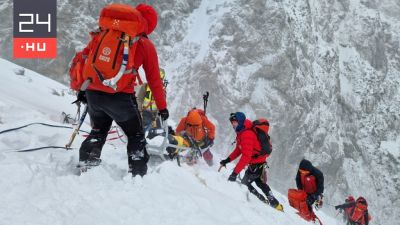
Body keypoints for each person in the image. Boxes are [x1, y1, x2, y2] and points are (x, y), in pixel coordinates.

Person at [73, 3, 168, 177]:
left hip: (93, 92)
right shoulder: (144, 44)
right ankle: (138, 175)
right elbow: (154, 80)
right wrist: (162, 107)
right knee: (135, 134)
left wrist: (82, 88)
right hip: (119, 96)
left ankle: (86, 162)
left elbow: (85, 59)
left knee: (99, 129)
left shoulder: (104, 33)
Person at [220, 112, 283, 211]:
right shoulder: (242, 131)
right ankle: (275, 204)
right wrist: (227, 160)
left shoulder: (246, 134)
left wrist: (234, 173)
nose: (233, 125)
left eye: (235, 123)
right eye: (232, 123)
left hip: (256, 164)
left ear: (240, 122)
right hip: (259, 163)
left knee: (245, 183)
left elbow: (246, 157)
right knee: (259, 183)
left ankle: (261, 200)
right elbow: (239, 150)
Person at [136, 68, 167, 136]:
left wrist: (157, 116)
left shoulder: (162, 90)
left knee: (159, 131)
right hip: (145, 112)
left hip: (155, 114)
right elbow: (139, 99)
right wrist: (139, 111)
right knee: (145, 128)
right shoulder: (146, 86)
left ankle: (153, 142)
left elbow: (162, 104)